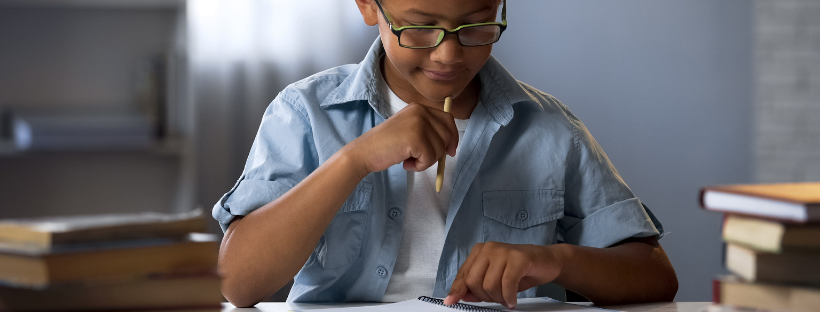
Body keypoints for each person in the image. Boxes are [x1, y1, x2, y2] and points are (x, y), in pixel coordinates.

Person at [214, 0, 678, 309]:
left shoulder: (550, 129)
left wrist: (556, 259)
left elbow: (655, 276)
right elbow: (238, 283)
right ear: (367, 6)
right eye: (420, 27)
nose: (448, 54)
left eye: (476, 24)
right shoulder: (307, 112)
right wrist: (354, 160)